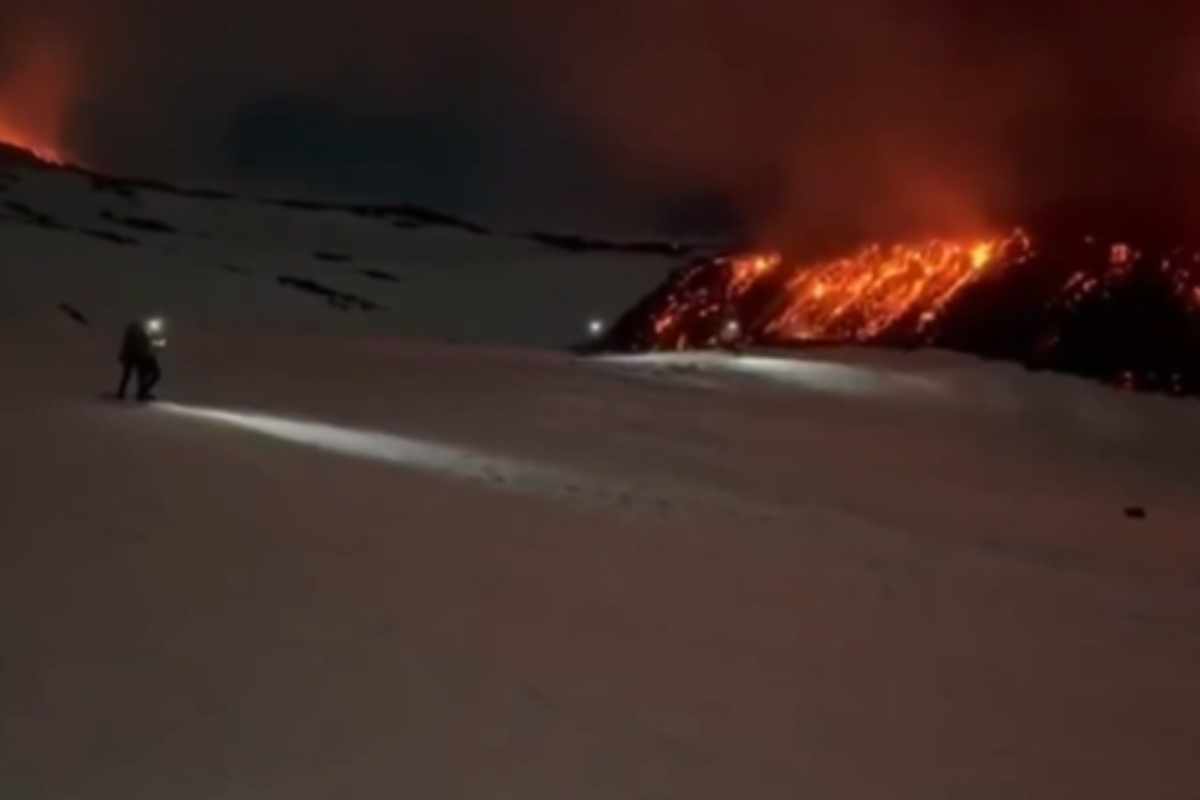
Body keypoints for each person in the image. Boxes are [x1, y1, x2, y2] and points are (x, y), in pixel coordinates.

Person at [117, 318, 165, 401]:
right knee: (137, 376)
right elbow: (141, 346)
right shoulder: (137, 334)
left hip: (140, 357)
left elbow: (147, 346)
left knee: (135, 376)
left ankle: (139, 392)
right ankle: (139, 393)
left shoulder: (142, 334)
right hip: (138, 357)